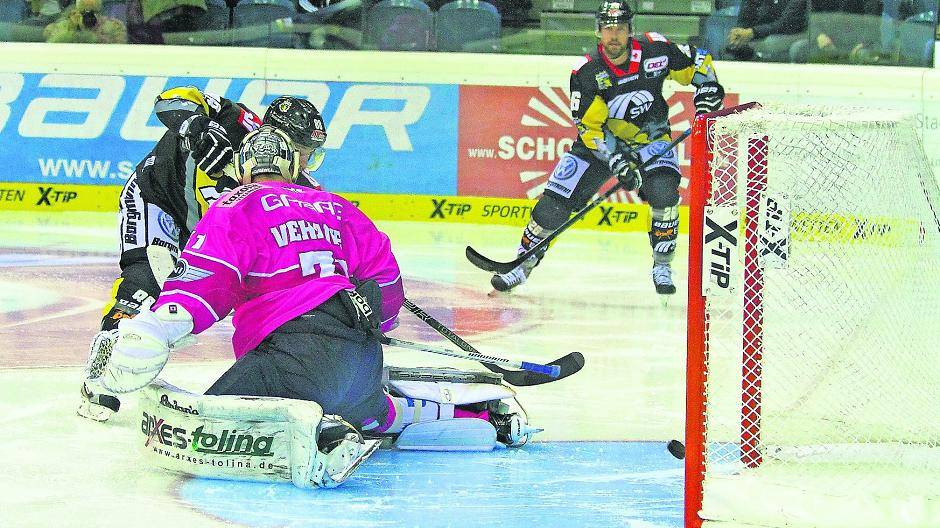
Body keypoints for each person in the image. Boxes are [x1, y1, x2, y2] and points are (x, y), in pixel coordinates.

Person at [86, 126, 536, 486]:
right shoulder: (334, 205)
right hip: (360, 355)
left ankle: (321, 434)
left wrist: (157, 329)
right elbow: (388, 283)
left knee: (203, 424)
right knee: (378, 411)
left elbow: (207, 283)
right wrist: (376, 321)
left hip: (294, 359)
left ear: (244, 170)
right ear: (291, 167)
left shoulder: (232, 206)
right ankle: (482, 414)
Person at [78, 89, 325, 420]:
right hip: (158, 199)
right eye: (303, 152)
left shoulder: (302, 188)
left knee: (203, 298)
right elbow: (171, 99)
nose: (305, 163)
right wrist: (195, 124)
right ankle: (102, 369)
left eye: (312, 155)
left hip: (205, 231)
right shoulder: (235, 120)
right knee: (142, 286)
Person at [489, 1, 725, 297]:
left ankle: (662, 264)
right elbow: (589, 129)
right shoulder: (587, 72)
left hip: (650, 140)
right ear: (598, 31)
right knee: (552, 207)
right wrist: (617, 162)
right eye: (608, 29)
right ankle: (521, 264)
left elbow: (699, 62)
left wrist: (709, 90)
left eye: (620, 28)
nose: (614, 35)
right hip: (599, 146)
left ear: (630, 30)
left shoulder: (656, 50)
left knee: (664, 193)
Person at [725, 0, 807, 61]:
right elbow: (744, 20)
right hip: (758, 35)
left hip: (793, 34)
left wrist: (753, 32)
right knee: (729, 47)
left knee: (770, 42)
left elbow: (785, 24)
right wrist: (738, 34)